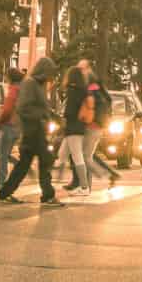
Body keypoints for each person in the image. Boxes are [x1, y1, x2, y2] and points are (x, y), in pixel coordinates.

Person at [0, 57, 62, 205]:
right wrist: (42, 116)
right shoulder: (30, 83)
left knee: (24, 165)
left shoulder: (38, 85)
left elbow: (41, 107)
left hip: (36, 129)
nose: (51, 77)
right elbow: (22, 108)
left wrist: (53, 116)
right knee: (44, 161)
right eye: (49, 73)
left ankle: (5, 192)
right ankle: (47, 195)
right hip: (32, 130)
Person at [77, 59, 119, 190]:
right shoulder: (95, 83)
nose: (80, 71)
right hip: (95, 124)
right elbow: (108, 100)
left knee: (85, 156)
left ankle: (105, 175)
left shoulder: (91, 84)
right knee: (88, 155)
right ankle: (91, 184)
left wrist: (95, 118)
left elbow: (93, 103)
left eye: (82, 68)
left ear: (88, 69)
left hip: (93, 124)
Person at [59, 64, 97, 194]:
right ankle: (55, 179)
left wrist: (63, 118)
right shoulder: (84, 90)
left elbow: (70, 111)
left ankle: (84, 187)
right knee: (62, 154)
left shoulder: (72, 90)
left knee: (77, 157)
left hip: (73, 127)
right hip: (80, 126)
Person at [0, 67, 24, 186]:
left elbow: (8, 109)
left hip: (8, 125)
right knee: (5, 154)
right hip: (17, 126)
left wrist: (0, 119)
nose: (5, 78)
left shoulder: (13, 89)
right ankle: (21, 165)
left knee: (1, 155)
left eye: (6, 76)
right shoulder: (22, 89)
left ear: (10, 77)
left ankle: (2, 182)